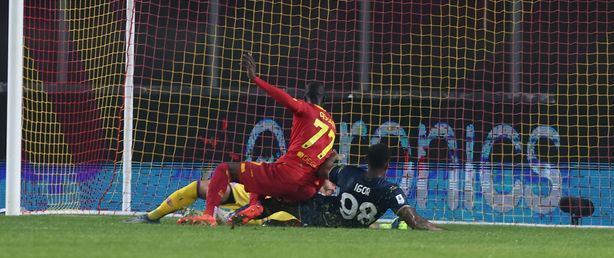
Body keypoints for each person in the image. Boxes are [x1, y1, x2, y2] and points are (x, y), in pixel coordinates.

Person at [182, 53, 336, 226]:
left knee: (224, 169)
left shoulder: (306, 108)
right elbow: (325, 165)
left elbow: (283, 97)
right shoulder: (331, 124)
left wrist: (255, 79)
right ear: (324, 98)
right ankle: (256, 206)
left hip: (288, 176)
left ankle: (209, 215)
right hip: (307, 189)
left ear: (305, 95)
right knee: (261, 173)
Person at [231, 143, 441, 230]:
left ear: (366, 160)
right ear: (387, 165)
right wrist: (437, 229)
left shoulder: (348, 173)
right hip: (346, 227)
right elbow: (411, 219)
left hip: (321, 212)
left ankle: (233, 217)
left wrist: (332, 158)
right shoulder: (391, 191)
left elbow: (322, 172)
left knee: (277, 203)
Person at [125, 179, 337, 224]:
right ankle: (151, 217)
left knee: (279, 220)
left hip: (286, 206)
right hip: (264, 189)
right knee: (199, 187)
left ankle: (227, 217)